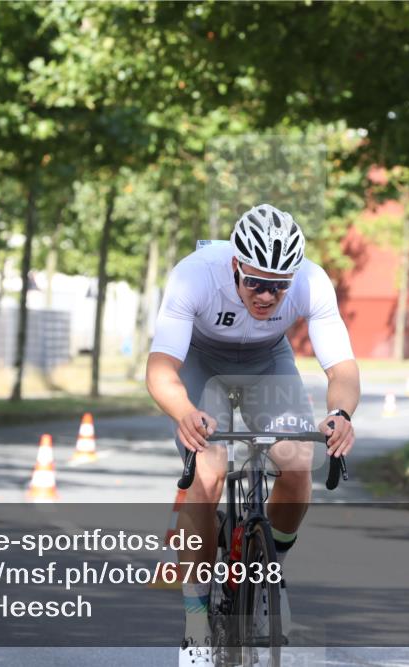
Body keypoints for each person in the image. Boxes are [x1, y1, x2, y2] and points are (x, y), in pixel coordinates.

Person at [145, 204, 360, 666]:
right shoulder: (195, 276)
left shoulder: (311, 282)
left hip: (267, 363)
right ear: (235, 266)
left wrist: (339, 414)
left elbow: (341, 367)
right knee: (208, 473)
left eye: (279, 286)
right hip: (204, 360)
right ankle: (196, 619)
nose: (267, 296)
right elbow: (161, 369)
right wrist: (185, 412)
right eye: (256, 283)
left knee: (298, 460)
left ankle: (267, 576)